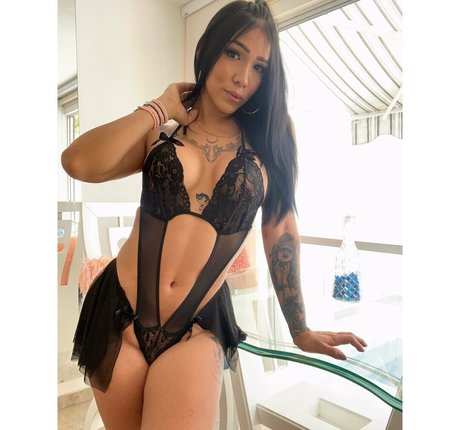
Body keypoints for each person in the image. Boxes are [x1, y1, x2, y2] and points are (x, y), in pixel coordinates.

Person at [61, 1, 367, 429]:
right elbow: (78, 163)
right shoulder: (163, 129)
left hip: (195, 328)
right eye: (234, 53)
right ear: (209, 48)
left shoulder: (273, 136)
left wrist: (299, 328)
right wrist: (159, 107)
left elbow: (280, 226)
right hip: (119, 313)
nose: (243, 77)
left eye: (259, 67)